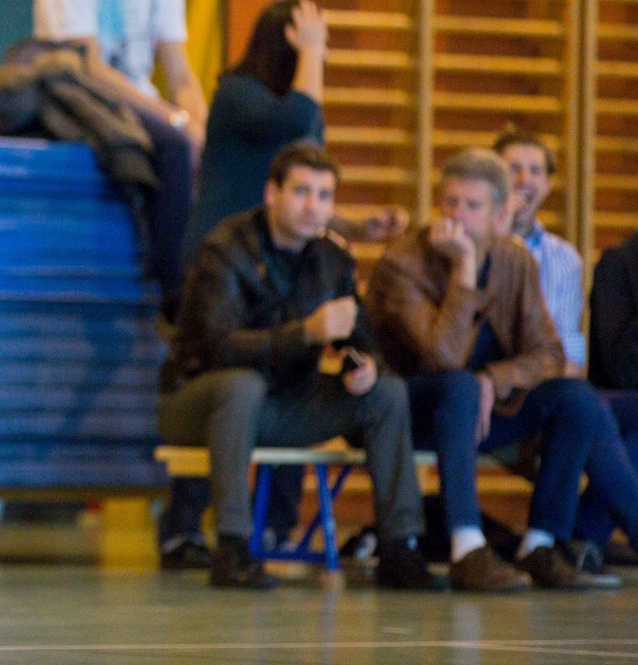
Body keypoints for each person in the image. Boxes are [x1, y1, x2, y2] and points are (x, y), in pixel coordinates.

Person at [160, 0, 408, 568]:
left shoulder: (317, 240)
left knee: (302, 375)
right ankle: (197, 531)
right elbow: (298, 126)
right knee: (234, 377)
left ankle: (385, 541)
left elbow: (303, 179)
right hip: (224, 261)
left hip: (282, 260)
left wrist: (349, 227)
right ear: (290, 38)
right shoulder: (239, 94)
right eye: (313, 32)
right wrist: (314, 52)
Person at [160, 144, 438, 590]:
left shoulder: (332, 258)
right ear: (272, 194)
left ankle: (399, 547)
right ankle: (233, 546)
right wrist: (304, 333)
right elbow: (215, 349)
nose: (314, 207)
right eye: (302, 192)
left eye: (325, 196)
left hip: (284, 404)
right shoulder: (225, 249)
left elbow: (361, 338)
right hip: (199, 402)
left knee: (386, 393)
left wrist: (365, 366)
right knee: (240, 385)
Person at [368, 150, 633, 592]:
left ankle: (541, 543)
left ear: (500, 214)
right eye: (450, 202)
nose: (457, 215)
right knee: (459, 385)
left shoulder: (516, 262)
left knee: (577, 398)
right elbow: (443, 358)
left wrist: (495, 378)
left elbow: (548, 352)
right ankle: (467, 547)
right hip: (413, 416)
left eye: (472, 206)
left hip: (486, 411)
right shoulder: (404, 262)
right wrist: (464, 272)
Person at [35, 0, 201, 319]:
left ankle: (205, 280)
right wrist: (172, 118)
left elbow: (180, 71)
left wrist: (202, 126)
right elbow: (88, 70)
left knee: (204, 147)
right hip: (78, 99)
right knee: (171, 145)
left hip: (137, 103)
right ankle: (171, 291)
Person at [498, 129, 638, 577]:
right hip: (497, 394)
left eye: (535, 170)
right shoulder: (468, 248)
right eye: (512, 168)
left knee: (602, 408)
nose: (524, 179)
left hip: (558, 390)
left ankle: (578, 537)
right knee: (587, 405)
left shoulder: (564, 258)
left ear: (549, 183)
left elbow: (571, 352)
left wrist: (552, 370)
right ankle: (578, 537)